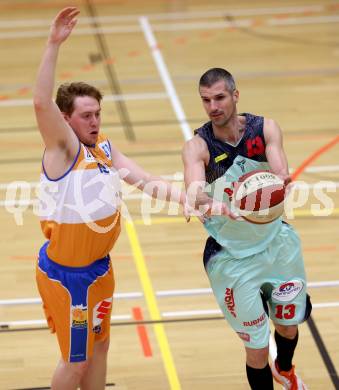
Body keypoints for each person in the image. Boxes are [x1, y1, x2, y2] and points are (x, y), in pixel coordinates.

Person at [33, 7, 185, 390]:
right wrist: (53, 44)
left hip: (100, 270)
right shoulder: (63, 149)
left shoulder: (103, 149)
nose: (95, 121)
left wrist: (187, 199)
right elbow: (40, 103)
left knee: (101, 346)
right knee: (75, 363)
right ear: (66, 120)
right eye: (86, 115)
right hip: (70, 279)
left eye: (98, 113)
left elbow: (147, 180)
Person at [182, 67, 311, 390]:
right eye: (206, 100)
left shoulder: (264, 128)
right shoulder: (198, 146)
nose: (213, 106)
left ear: (235, 96)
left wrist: (281, 178)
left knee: (288, 326)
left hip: (276, 244)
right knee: (256, 348)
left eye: (220, 97)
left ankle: (285, 369)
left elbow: (279, 165)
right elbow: (194, 183)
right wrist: (196, 198)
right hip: (232, 258)